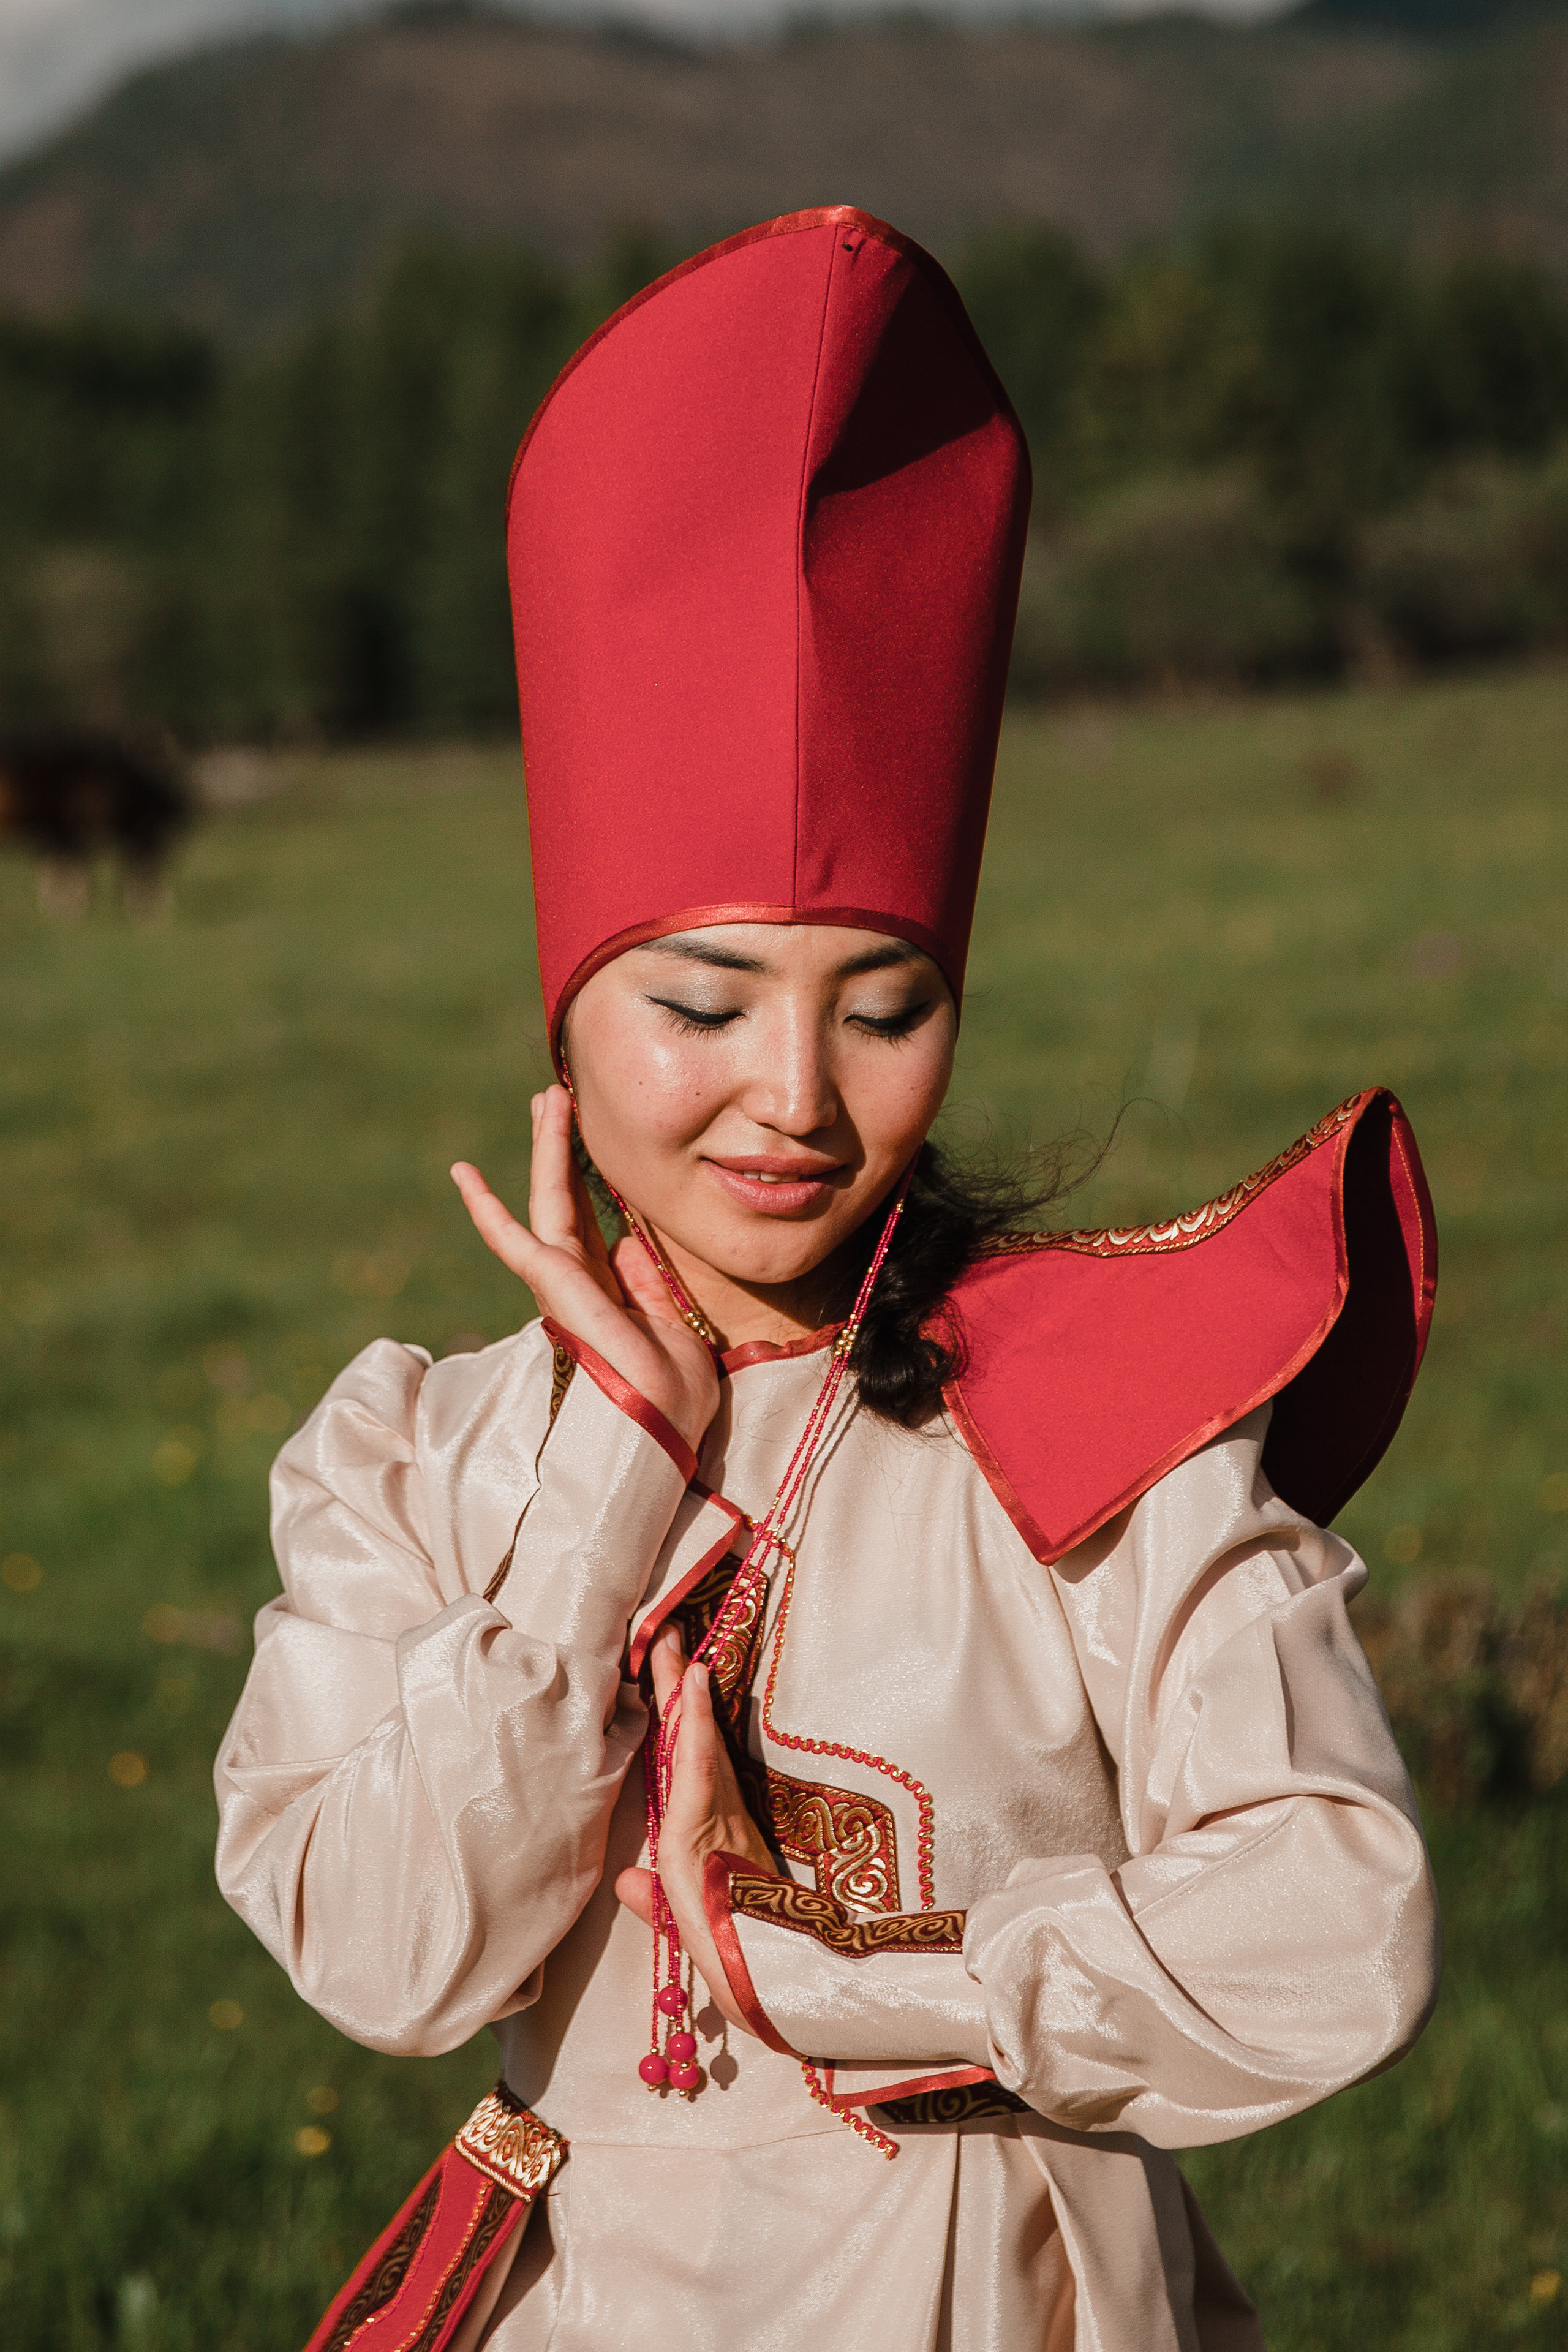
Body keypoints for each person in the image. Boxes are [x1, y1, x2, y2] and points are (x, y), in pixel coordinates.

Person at [214, 209, 1441, 2352]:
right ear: (569, 1014)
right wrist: (611, 1486)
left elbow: (1342, 1925)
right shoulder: (410, 1453)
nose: (794, 1096)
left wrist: (884, 1987)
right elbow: (395, 1963)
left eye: (882, 1005)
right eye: (699, 1005)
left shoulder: (1092, 1416)